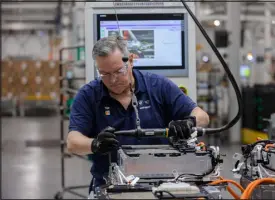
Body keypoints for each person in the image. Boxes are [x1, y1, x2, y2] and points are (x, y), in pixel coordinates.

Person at [66, 36, 210, 194]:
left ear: (131, 61)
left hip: (161, 186)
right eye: (104, 74)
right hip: (110, 188)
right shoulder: (88, 95)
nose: (113, 80)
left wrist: (189, 122)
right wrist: (95, 144)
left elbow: (202, 116)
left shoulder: (157, 86)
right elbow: (73, 142)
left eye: (118, 71)